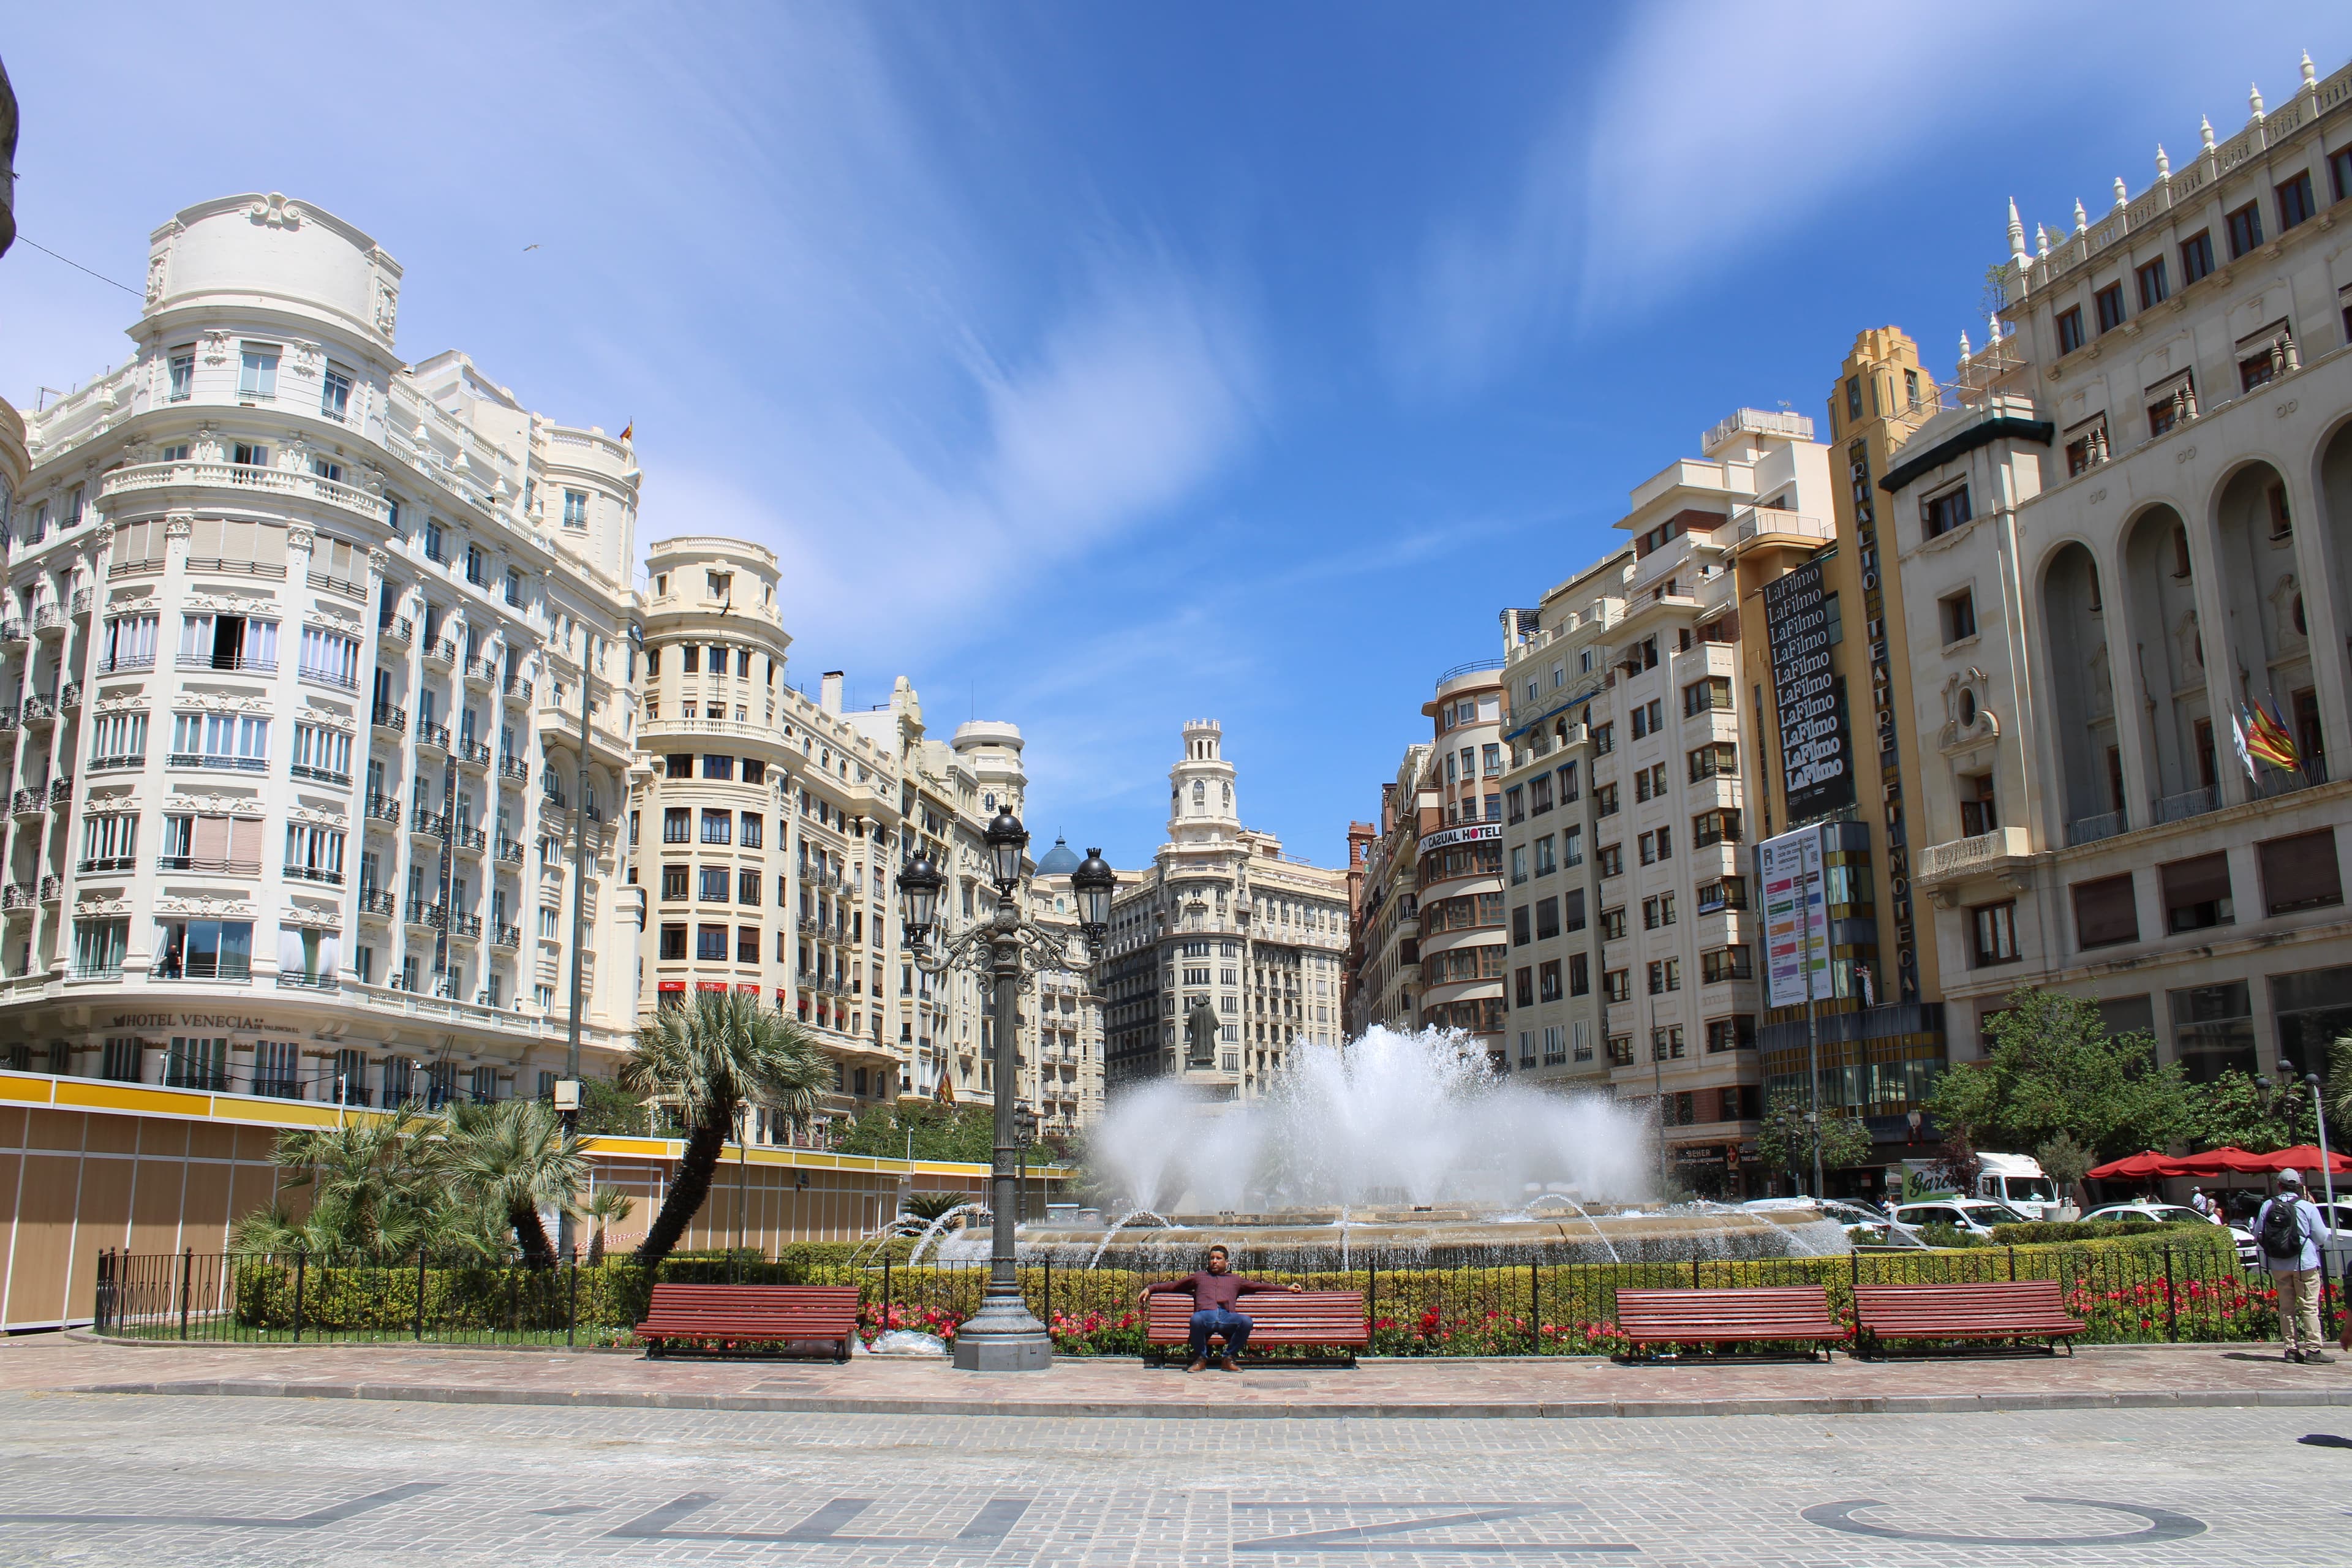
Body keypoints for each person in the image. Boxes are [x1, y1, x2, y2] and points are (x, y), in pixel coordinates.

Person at [1139, 1244, 1302, 1373]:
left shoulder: (1235, 1280)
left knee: (1246, 1321)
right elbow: (1174, 1286)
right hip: (1205, 1317)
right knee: (1195, 1319)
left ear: (1227, 1262)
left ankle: (1228, 1358)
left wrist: (1286, 1288)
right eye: (1212, 1258)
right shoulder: (1199, 1277)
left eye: (1218, 1258)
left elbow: (1259, 1286)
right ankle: (1201, 1359)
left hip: (1227, 1318)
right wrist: (1151, 1289)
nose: (1214, 1261)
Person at [2253, 1170, 2334, 1365]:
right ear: (2298, 1187)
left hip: (2278, 1264)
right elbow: (2321, 1236)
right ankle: (2313, 1350)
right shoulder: (2307, 1207)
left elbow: (2258, 1233)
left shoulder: (2268, 1205)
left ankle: (2290, 1350)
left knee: (2286, 1308)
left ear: (2279, 1185)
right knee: (2309, 1307)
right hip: (2304, 1262)